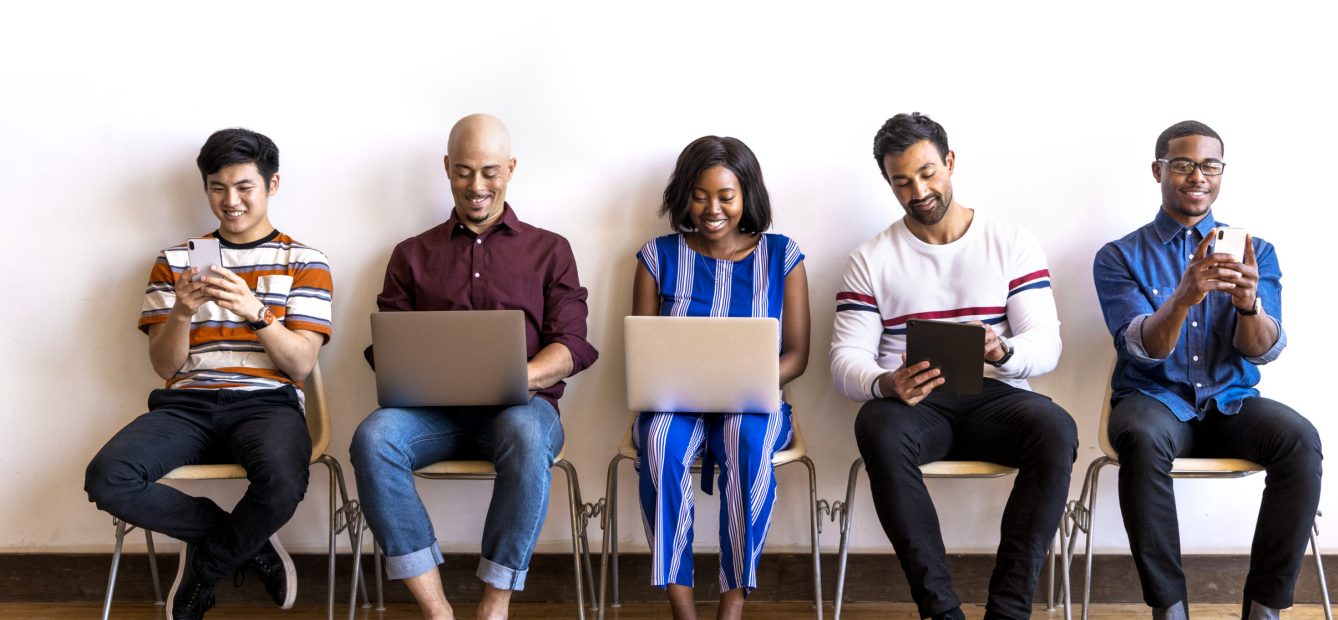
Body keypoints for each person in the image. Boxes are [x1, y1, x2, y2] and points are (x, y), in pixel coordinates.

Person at [349, 114, 599, 620]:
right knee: (373, 438)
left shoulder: (551, 250)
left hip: (520, 411)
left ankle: (494, 605)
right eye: (463, 171)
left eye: (490, 171)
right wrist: (419, 371)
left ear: (510, 168)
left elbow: (571, 344)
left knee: (527, 437)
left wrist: (515, 377)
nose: (477, 186)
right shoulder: (411, 254)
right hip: (432, 417)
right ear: (446, 168)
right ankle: (437, 609)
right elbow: (388, 346)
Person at [829, 113, 1077, 620]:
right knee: (876, 424)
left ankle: (1009, 611)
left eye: (927, 173)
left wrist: (1003, 352)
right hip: (919, 407)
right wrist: (885, 381)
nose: (918, 190)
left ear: (950, 162)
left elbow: (1045, 345)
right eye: (902, 181)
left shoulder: (1011, 242)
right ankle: (941, 613)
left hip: (998, 400)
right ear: (888, 183)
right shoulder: (870, 258)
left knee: (1056, 428)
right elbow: (844, 360)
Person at [85, 128, 333, 620]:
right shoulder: (176, 260)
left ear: (272, 185)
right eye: (217, 187)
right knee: (108, 478)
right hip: (187, 405)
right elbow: (164, 367)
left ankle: (208, 566)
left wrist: (255, 310)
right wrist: (180, 313)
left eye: (244, 187)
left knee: (284, 481)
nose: (231, 201)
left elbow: (301, 363)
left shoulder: (305, 260)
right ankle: (247, 542)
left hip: (268, 403)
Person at [1093, 120, 1323, 620]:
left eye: (1210, 165)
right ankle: (1170, 609)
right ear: (1158, 170)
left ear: (1221, 173)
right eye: (1183, 164)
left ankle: (1265, 608)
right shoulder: (1118, 256)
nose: (1198, 176)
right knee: (1141, 437)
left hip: (1231, 403)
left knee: (1299, 440)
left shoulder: (1256, 252)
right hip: (1156, 402)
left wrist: (1247, 306)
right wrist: (1183, 298)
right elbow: (1142, 351)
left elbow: (1263, 351)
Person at [631, 136, 810, 620]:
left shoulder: (781, 255)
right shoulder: (656, 256)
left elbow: (797, 354)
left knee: (748, 445)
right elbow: (641, 352)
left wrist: (750, 379)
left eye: (726, 196)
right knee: (661, 445)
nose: (713, 209)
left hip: (751, 401)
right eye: (700, 195)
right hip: (673, 403)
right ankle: (682, 609)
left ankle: (731, 607)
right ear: (683, 196)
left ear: (746, 195)